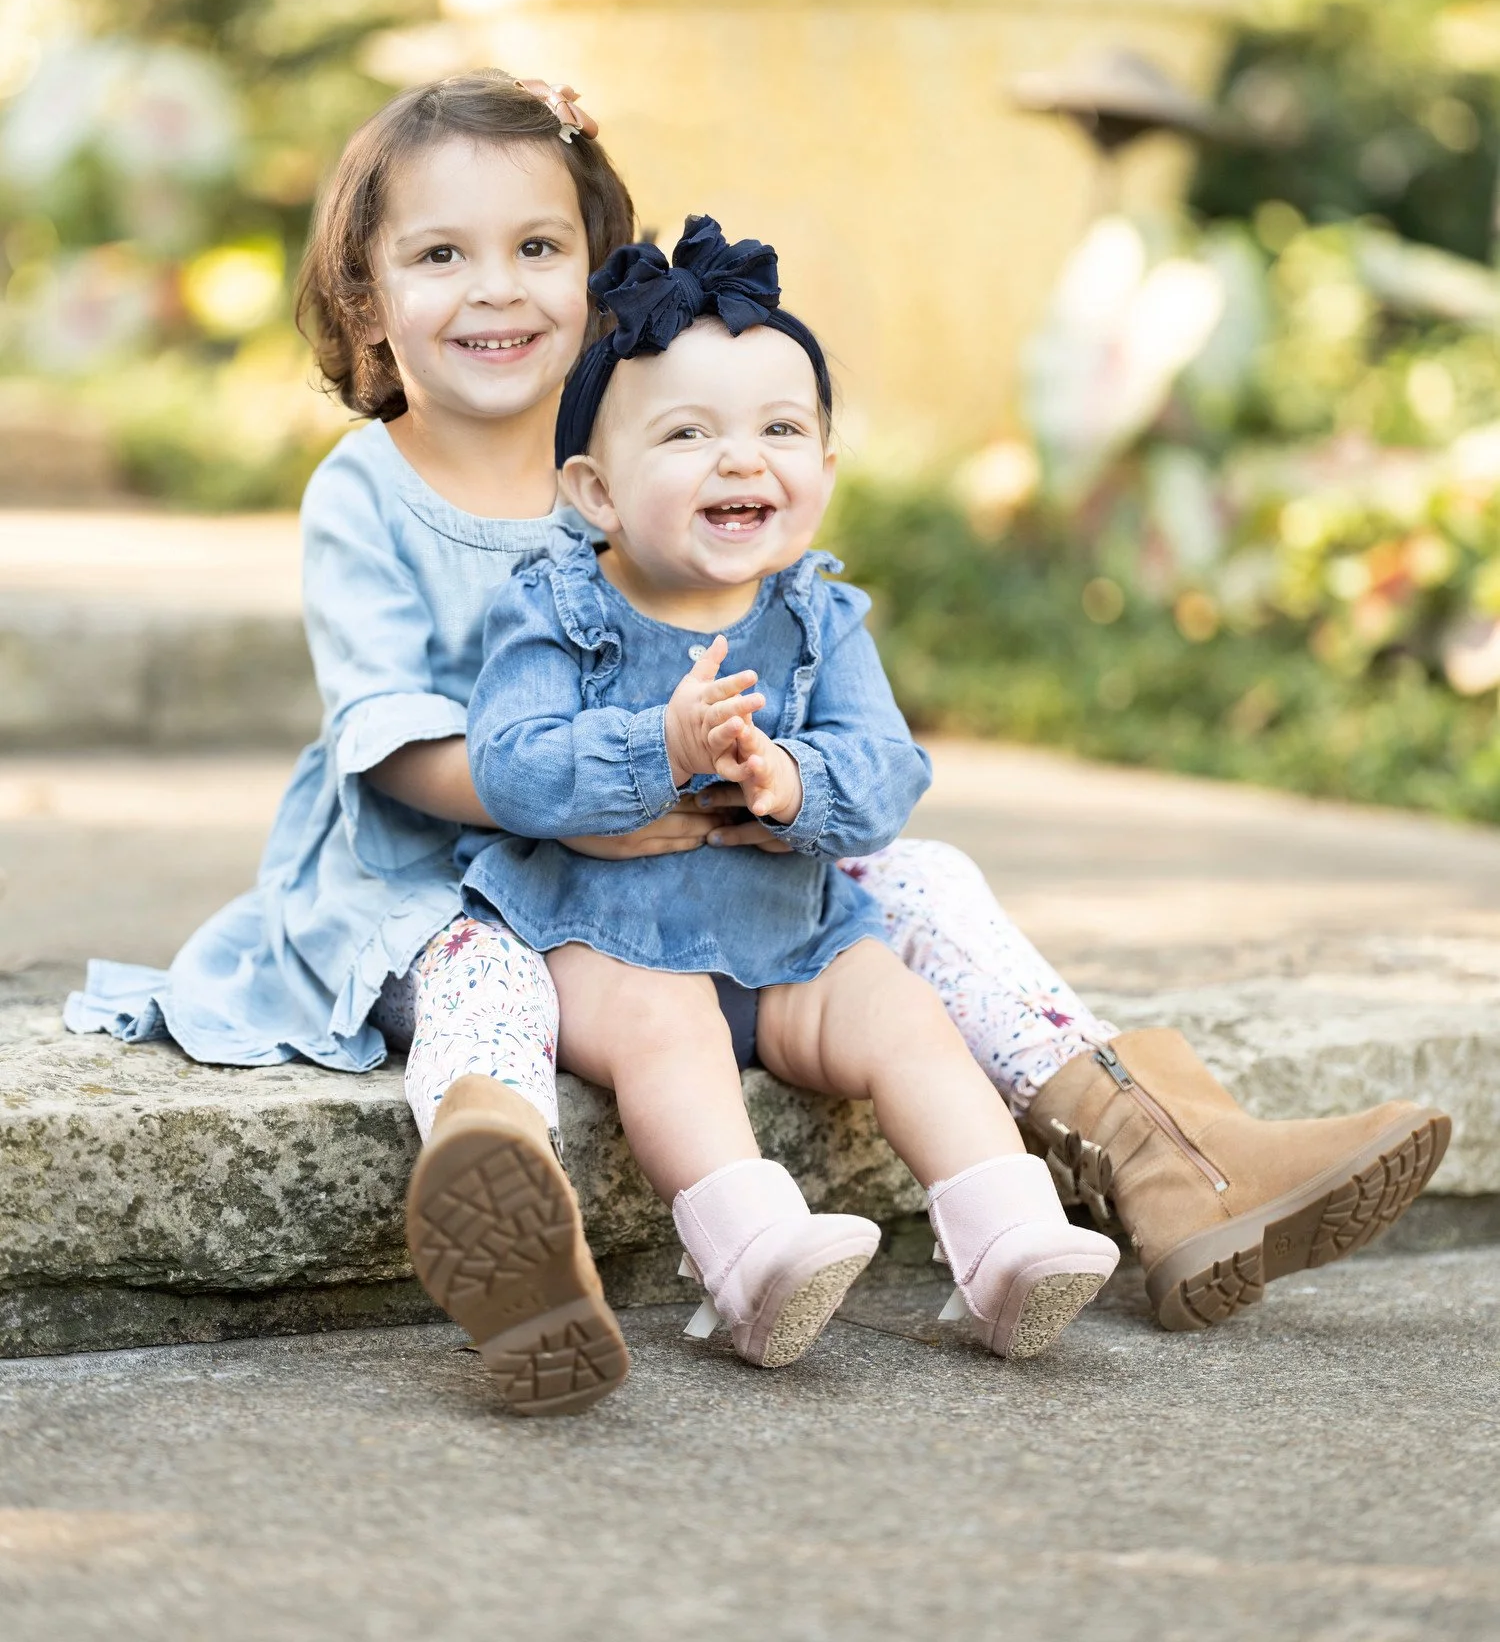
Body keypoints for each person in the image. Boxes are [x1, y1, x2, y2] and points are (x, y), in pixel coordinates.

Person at [63, 74, 1449, 1416]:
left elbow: (763, 622)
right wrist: (588, 810)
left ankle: (1165, 1153)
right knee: (484, 971)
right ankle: (503, 1186)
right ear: (365, 295)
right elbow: (395, 745)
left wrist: (776, 786)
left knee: (926, 880)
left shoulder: (645, 432)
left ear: (598, 273)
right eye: (441, 254)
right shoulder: (367, 491)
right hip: (440, 859)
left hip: (699, 849)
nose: (496, 288)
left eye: (538, 245)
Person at [454, 214, 1123, 1373]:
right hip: (610, 938)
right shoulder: (557, 605)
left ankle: (1009, 1234)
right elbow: (509, 762)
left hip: (788, 933)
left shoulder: (817, 613)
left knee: (905, 1010)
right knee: (671, 1032)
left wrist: (796, 779)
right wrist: (654, 746)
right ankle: (754, 1254)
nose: (742, 458)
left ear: (823, 464)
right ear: (596, 490)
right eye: (689, 433)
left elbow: (889, 772)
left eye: (781, 427)